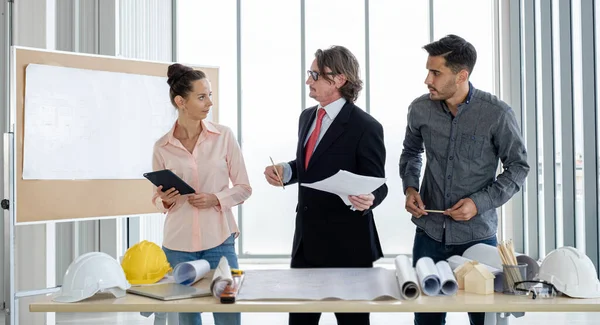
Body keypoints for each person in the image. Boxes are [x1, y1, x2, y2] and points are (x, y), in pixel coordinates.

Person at [399, 34, 530, 325]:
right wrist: (410, 188)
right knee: (427, 320)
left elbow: (518, 167)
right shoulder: (419, 109)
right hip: (429, 237)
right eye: (428, 71)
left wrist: (478, 202)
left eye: (435, 72)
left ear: (461, 75)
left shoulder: (497, 114)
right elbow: (411, 152)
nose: (427, 80)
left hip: (478, 238)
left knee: (487, 321)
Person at [264, 46, 388, 325]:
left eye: (315, 74)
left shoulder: (366, 127)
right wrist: (286, 170)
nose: (308, 80)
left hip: (348, 246)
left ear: (340, 79)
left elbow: (379, 184)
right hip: (306, 241)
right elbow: (307, 165)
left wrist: (369, 197)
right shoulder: (307, 117)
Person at [151, 63, 252, 325]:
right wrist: (165, 199)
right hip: (178, 245)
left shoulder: (224, 136)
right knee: (187, 315)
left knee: (228, 311)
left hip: (219, 239)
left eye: (209, 95)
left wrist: (215, 199)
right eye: (201, 96)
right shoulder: (162, 146)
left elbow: (244, 188)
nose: (209, 103)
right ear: (180, 101)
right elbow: (157, 199)